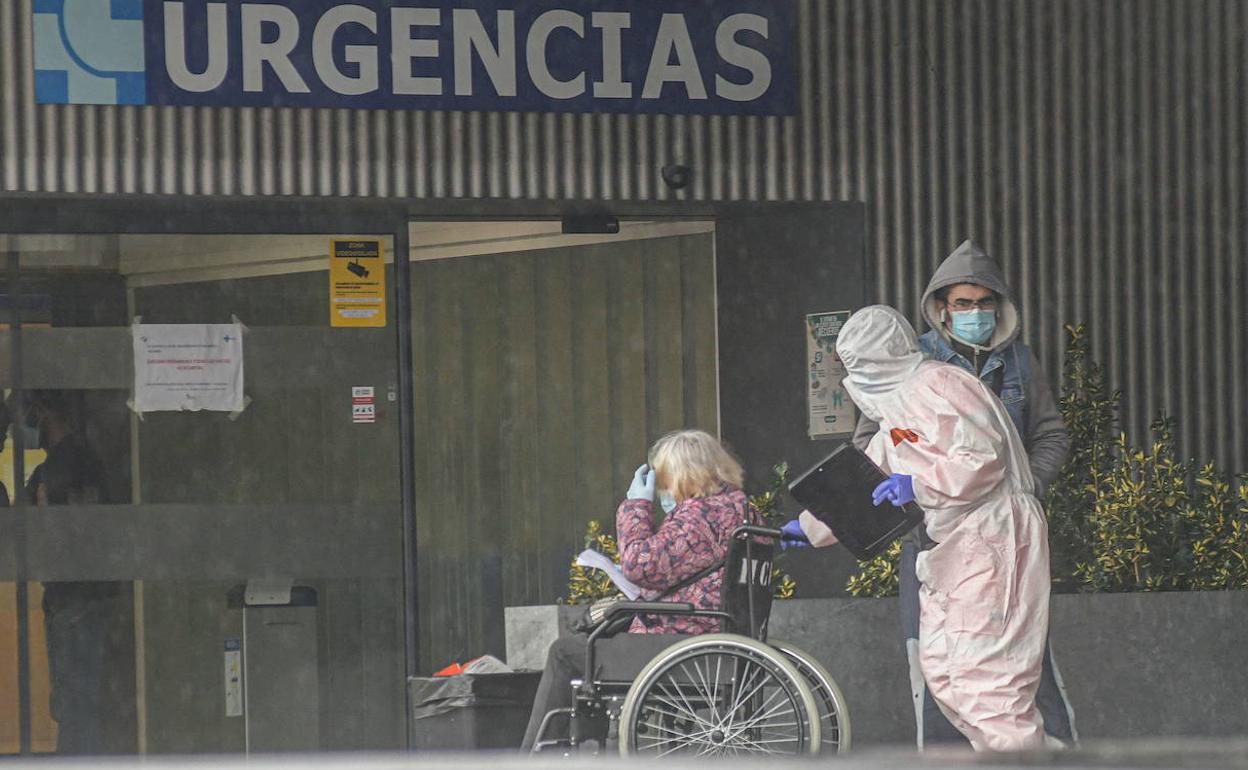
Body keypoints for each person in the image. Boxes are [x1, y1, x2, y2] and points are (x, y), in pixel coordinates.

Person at [789, 305, 1052, 752]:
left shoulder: (940, 384)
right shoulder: (896, 409)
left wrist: (920, 485)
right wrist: (811, 524)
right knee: (949, 676)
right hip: (955, 550)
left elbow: (982, 459)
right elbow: (870, 475)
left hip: (992, 539)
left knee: (991, 686)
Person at [851, 239, 1075, 749]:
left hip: (996, 540)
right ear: (941, 309)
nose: (975, 313)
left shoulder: (1016, 362)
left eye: (984, 302)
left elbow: (1034, 440)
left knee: (1010, 673)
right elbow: (875, 448)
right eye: (963, 303)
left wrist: (1023, 487)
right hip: (934, 540)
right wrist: (832, 517)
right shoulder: (905, 370)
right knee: (941, 670)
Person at [521, 429, 763, 750]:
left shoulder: (698, 515)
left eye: (664, 478)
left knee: (565, 653)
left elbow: (639, 564)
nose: (662, 488)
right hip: (722, 636)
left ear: (682, 474)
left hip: (682, 644)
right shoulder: (743, 510)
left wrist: (636, 504)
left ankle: (533, 755)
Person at [13, 389, 122, 754]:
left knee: (74, 700)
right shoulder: (78, 460)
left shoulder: (64, 464)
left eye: (29, 415)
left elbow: (39, 525)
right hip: (83, 595)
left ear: (43, 412)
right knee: (79, 699)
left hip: (73, 596)